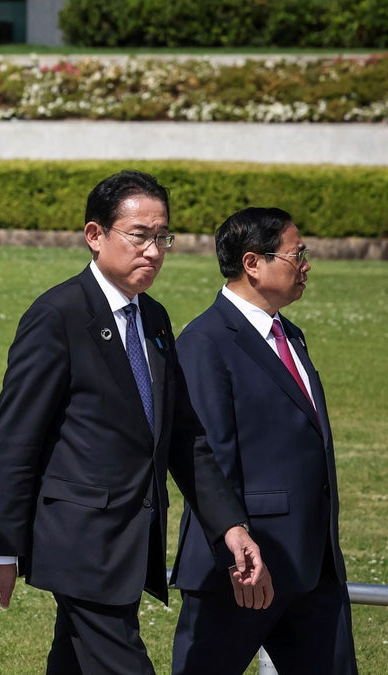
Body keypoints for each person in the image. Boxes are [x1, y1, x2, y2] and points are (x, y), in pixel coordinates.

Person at [0, 170, 272, 675]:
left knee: (73, 662)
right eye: (140, 236)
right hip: (81, 543)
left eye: (163, 238)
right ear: (95, 236)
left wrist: (230, 525)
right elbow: (15, 438)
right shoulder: (57, 315)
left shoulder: (153, 318)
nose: (153, 251)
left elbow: (183, 436)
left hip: (133, 541)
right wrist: (0, 548)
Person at [170, 208, 357, 674]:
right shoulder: (205, 341)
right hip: (242, 570)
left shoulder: (290, 334)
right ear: (253, 263)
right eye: (298, 255)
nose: (307, 265)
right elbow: (209, 456)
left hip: (312, 567)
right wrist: (236, 550)